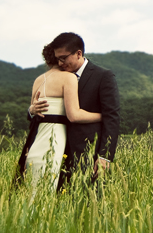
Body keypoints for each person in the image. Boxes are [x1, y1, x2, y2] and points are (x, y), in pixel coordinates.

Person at [29, 32, 120, 190]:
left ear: (79, 53)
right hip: (56, 153)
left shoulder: (103, 76)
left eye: (63, 58)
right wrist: (31, 110)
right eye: (57, 58)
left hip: (88, 153)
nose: (60, 62)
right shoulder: (57, 78)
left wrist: (105, 156)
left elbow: (112, 118)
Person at [14, 41, 102, 196]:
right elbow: (74, 115)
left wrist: (30, 111)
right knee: (50, 186)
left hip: (35, 141)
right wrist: (103, 116)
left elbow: (34, 113)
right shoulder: (69, 78)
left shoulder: (38, 80)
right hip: (55, 140)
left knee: (32, 190)